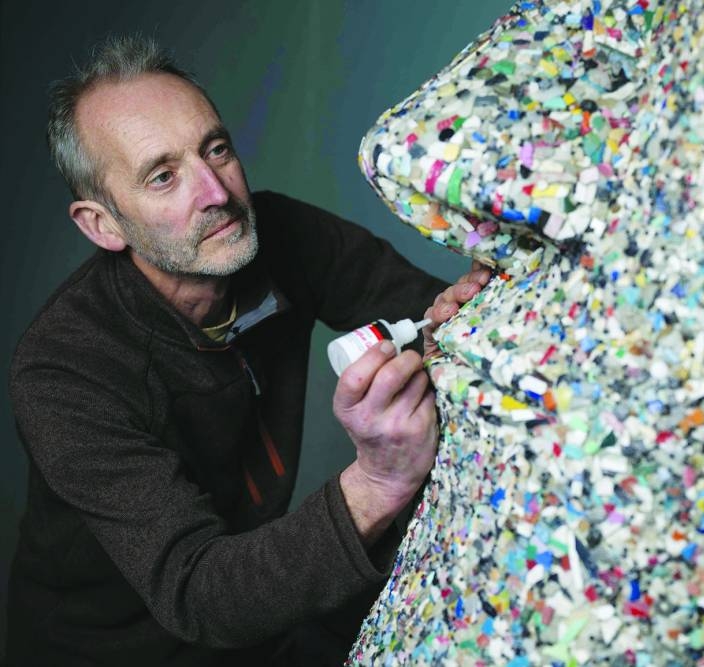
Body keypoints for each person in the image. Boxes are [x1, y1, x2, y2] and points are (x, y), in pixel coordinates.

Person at [5, 34, 490, 666]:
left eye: (217, 149)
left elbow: (439, 315)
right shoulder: (61, 371)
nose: (215, 192)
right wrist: (377, 482)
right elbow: (198, 592)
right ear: (102, 224)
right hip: (116, 649)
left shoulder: (277, 231)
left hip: (271, 606)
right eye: (162, 175)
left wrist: (456, 320)